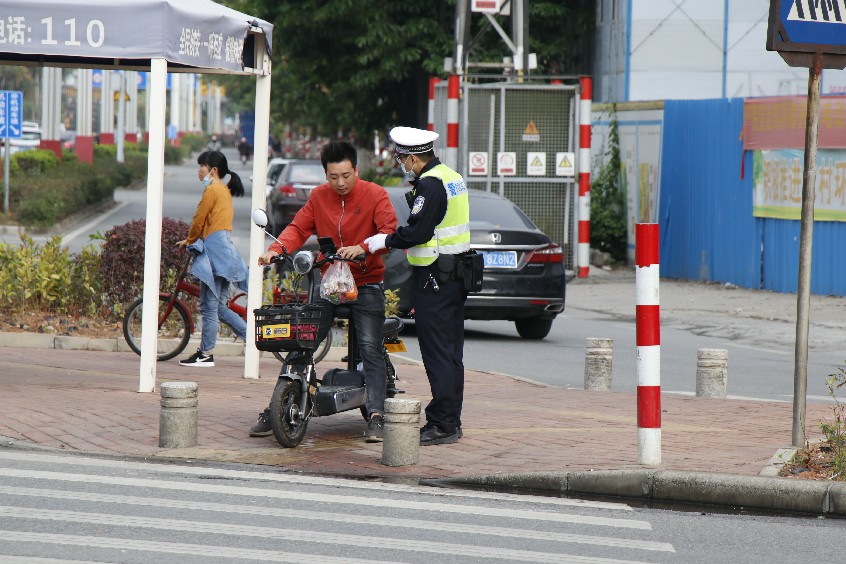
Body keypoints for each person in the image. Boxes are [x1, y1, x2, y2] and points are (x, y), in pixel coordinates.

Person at [250, 140, 397, 442]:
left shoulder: (375, 195)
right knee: (303, 338)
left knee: (370, 347)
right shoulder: (318, 197)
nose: (340, 183)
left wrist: (364, 248)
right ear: (325, 175)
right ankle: (277, 406)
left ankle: (377, 415)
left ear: (356, 169)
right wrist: (275, 250)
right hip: (331, 284)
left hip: (367, 283)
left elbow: (389, 233)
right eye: (333, 177)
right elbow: (298, 228)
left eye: (346, 175)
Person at [364, 126, 470, 446]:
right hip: (453, 276)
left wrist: (383, 240)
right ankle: (450, 419)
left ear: (413, 158)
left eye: (401, 158)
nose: (401, 164)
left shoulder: (431, 185)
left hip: (437, 278)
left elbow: (418, 232)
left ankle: (442, 424)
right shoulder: (451, 176)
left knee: (438, 352)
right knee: (450, 352)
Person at [177, 151, 248, 367]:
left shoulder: (212, 190)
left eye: (202, 166)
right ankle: (252, 339)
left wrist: (189, 240)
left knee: (209, 307)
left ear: (213, 170)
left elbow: (199, 220)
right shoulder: (223, 190)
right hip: (225, 251)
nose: (199, 171)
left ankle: (205, 353)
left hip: (216, 253)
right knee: (219, 308)